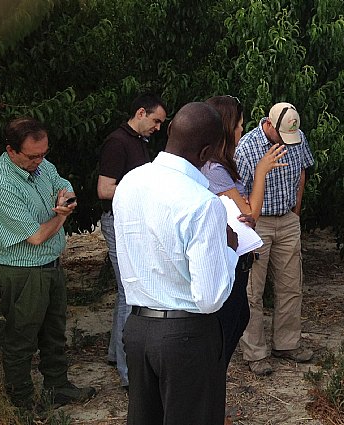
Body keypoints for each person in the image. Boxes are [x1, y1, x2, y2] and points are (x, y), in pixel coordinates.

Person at [113, 102, 239, 425]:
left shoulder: (128, 184)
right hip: (187, 334)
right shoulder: (202, 203)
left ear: (169, 131)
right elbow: (209, 298)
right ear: (207, 152)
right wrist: (229, 249)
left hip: (138, 329)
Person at [0, 117, 96, 410]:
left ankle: (58, 388)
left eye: (43, 153)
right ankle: (22, 403)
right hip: (22, 272)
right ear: (11, 150)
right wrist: (62, 216)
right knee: (22, 338)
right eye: (32, 156)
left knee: (54, 332)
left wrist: (67, 197)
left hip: (50, 265)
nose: (39, 161)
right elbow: (38, 236)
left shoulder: (42, 165)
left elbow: (62, 184)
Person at [202, 95, 288, 368]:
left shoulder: (222, 164)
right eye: (238, 124)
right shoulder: (214, 169)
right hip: (227, 256)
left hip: (235, 254)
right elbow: (250, 213)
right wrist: (262, 172)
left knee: (240, 315)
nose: (241, 129)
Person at [235, 102, 315, 376]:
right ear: (268, 124)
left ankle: (287, 343)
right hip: (258, 223)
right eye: (282, 136)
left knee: (292, 285)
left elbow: (303, 169)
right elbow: (237, 190)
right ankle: (255, 352)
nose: (288, 142)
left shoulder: (297, 136)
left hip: (288, 218)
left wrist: (296, 210)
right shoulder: (246, 147)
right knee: (253, 291)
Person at [97, 93, 167, 390]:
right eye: (156, 121)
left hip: (133, 223)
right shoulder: (117, 142)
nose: (158, 127)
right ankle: (129, 375)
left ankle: (117, 354)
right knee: (131, 290)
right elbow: (104, 189)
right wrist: (140, 189)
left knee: (126, 290)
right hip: (119, 223)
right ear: (141, 112)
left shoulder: (139, 141)